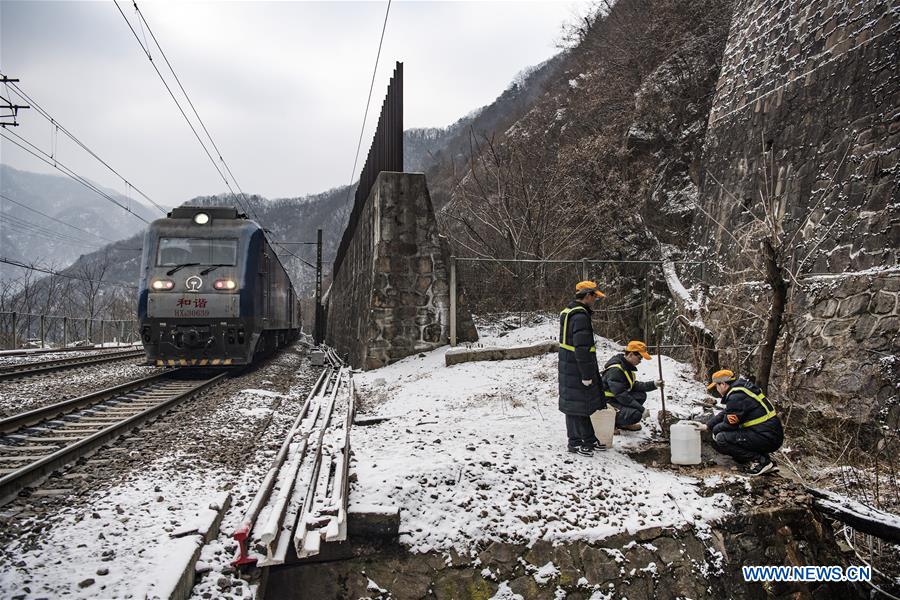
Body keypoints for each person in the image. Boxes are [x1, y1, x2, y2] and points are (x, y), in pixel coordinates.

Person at [558, 280, 607, 456]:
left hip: (569, 365)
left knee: (580, 404)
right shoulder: (580, 317)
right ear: (587, 295)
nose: (595, 300)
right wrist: (586, 374)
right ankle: (575, 442)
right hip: (577, 367)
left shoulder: (569, 311)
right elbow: (583, 348)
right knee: (575, 407)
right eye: (594, 296)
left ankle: (588, 438)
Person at [703, 369, 783, 476]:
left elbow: (728, 425)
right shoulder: (741, 390)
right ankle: (762, 460)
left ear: (722, 384)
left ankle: (762, 461)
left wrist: (713, 431)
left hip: (767, 437)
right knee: (728, 434)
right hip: (769, 434)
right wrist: (707, 425)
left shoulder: (736, 396)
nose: (716, 390)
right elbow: (727, 412)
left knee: (721, 438)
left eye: (716, 386)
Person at [602, 341, 663, 431]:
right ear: (630, 354)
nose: (640, 361)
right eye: (639, 358)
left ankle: (622, 423)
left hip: (616, 399)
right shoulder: (616, 370)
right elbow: (622, 395)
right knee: (636, 415)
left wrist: (654, 384)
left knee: (641, 395)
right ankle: (611, 423)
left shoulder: (625, 366)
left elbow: (633, 385)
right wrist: (642, 409)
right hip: (607, 403)